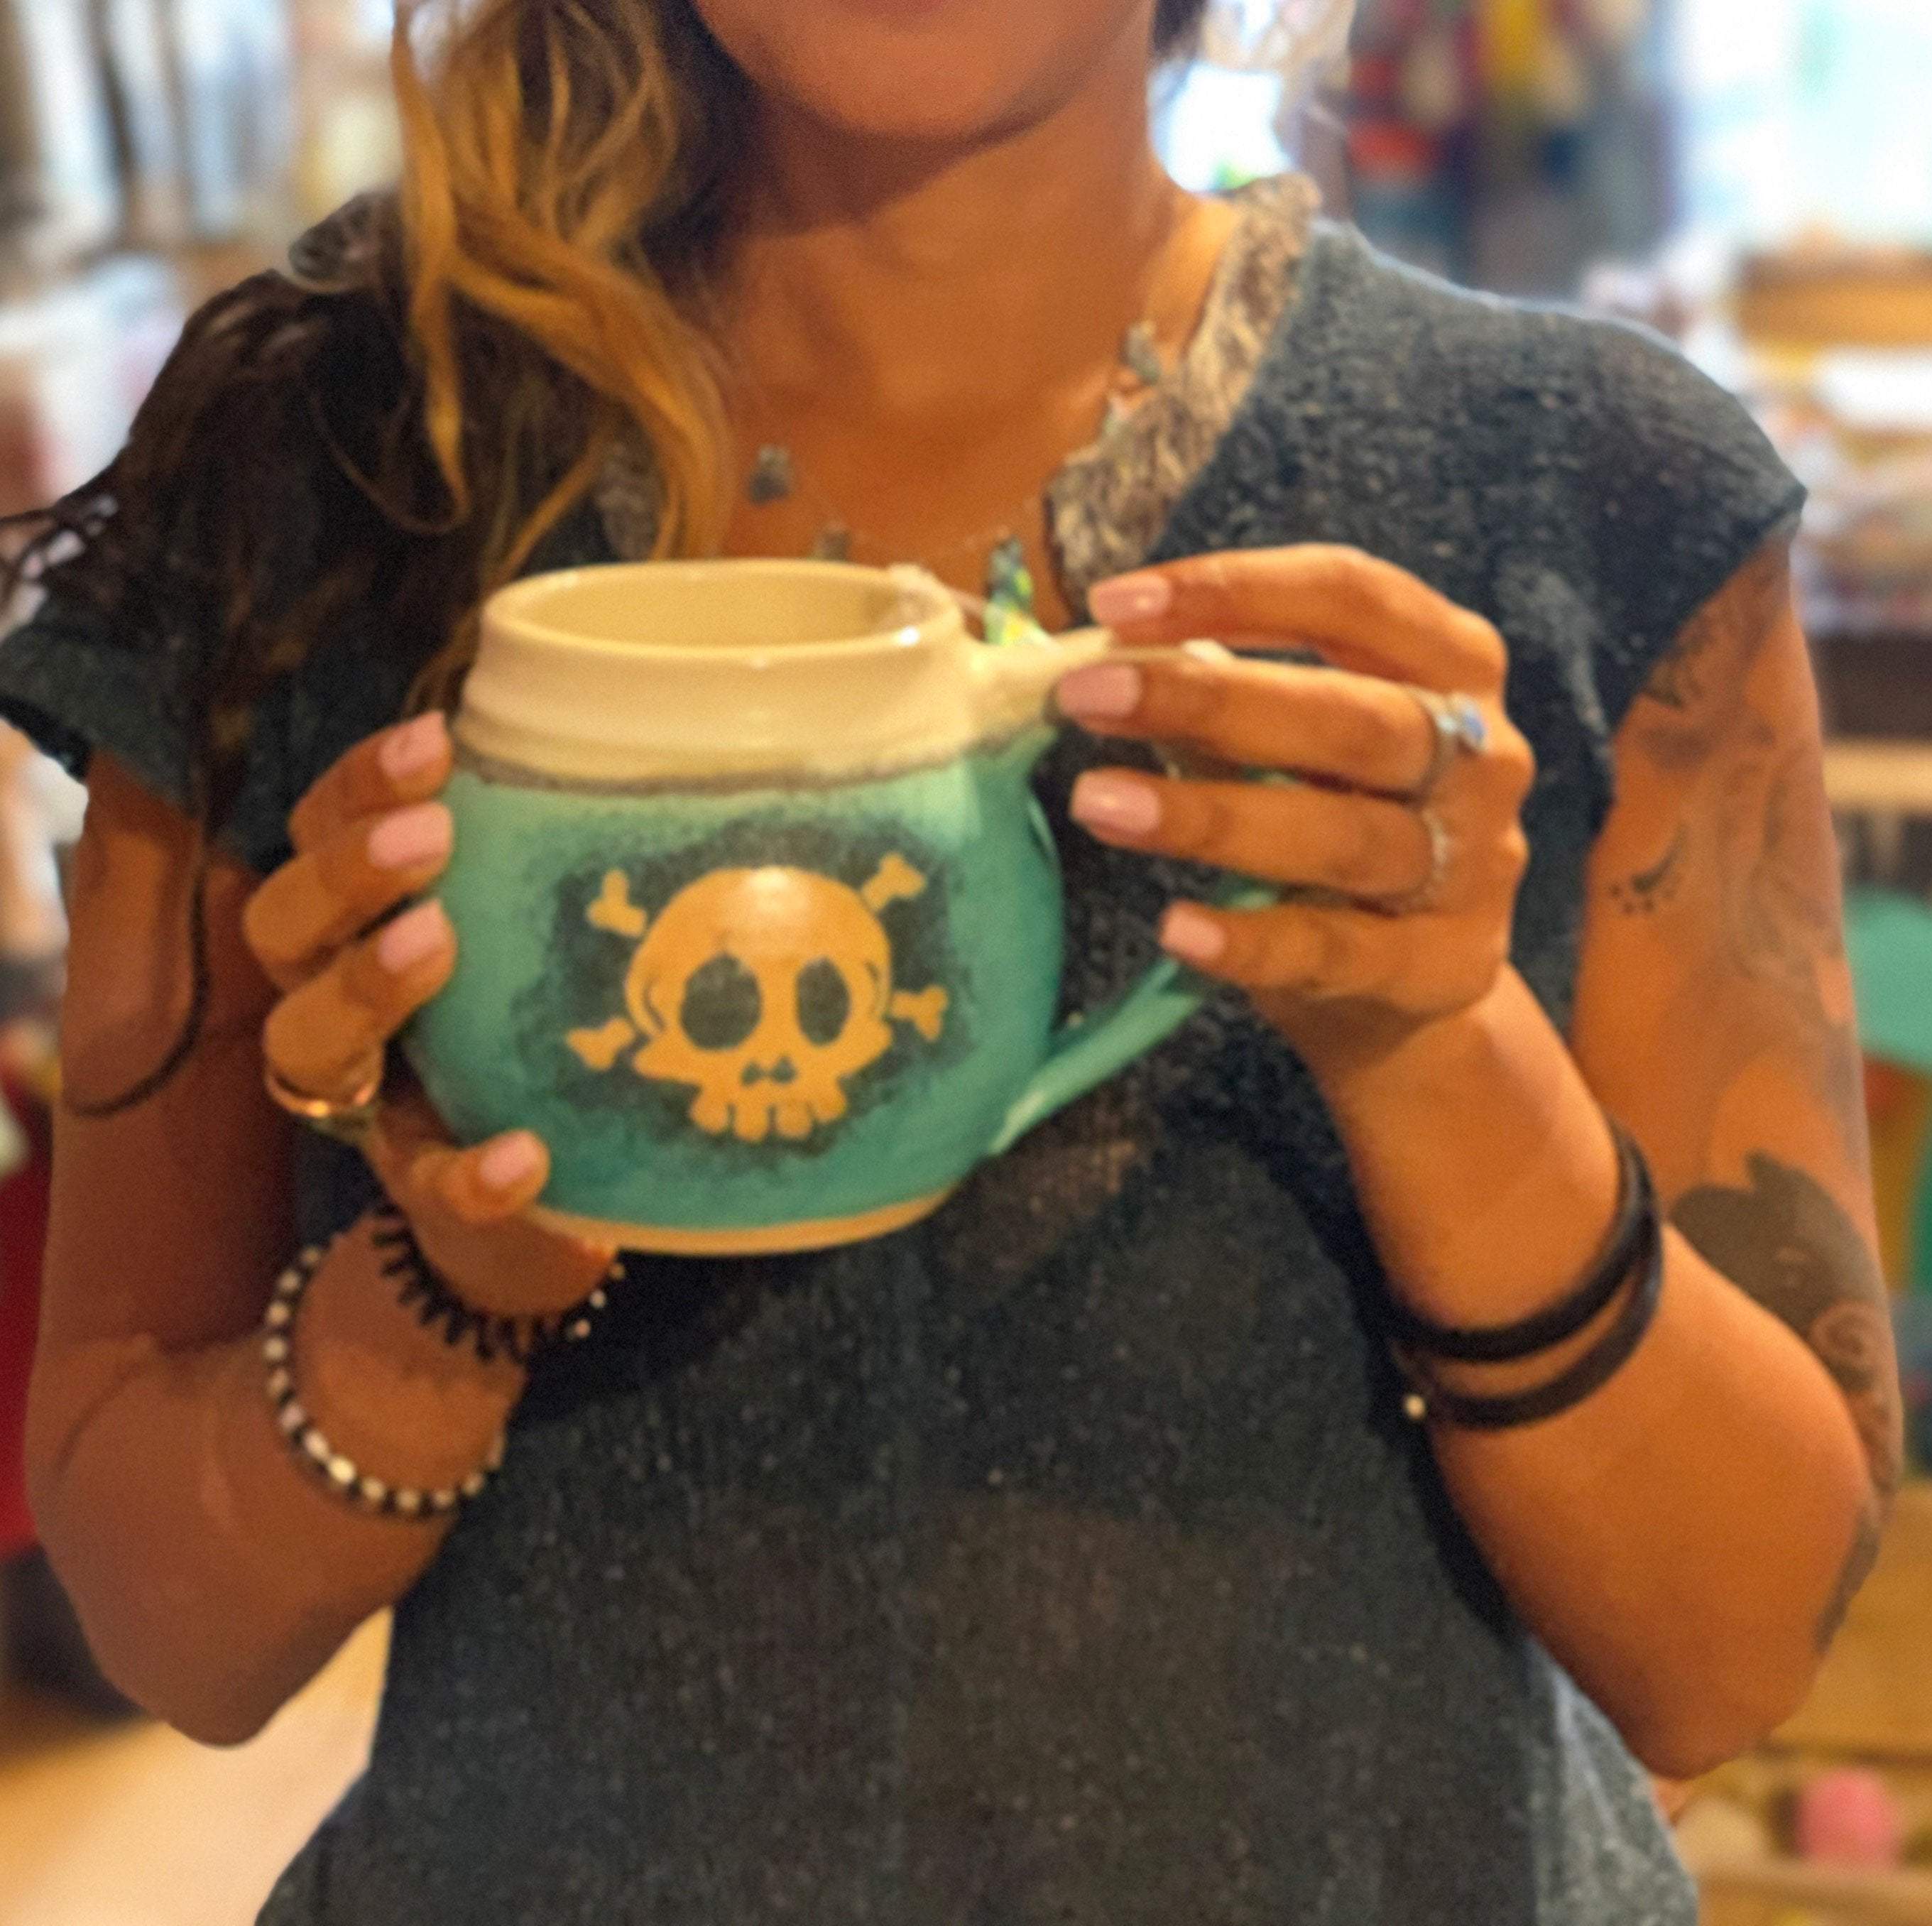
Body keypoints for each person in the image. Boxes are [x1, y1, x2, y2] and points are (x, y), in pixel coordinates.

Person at [0, 1, 1899, 1919]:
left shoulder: (1589, 490)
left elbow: (1728, 1648)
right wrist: (438, 1297)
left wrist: (1433, 1045)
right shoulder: (323, 461)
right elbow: (170, 1632)